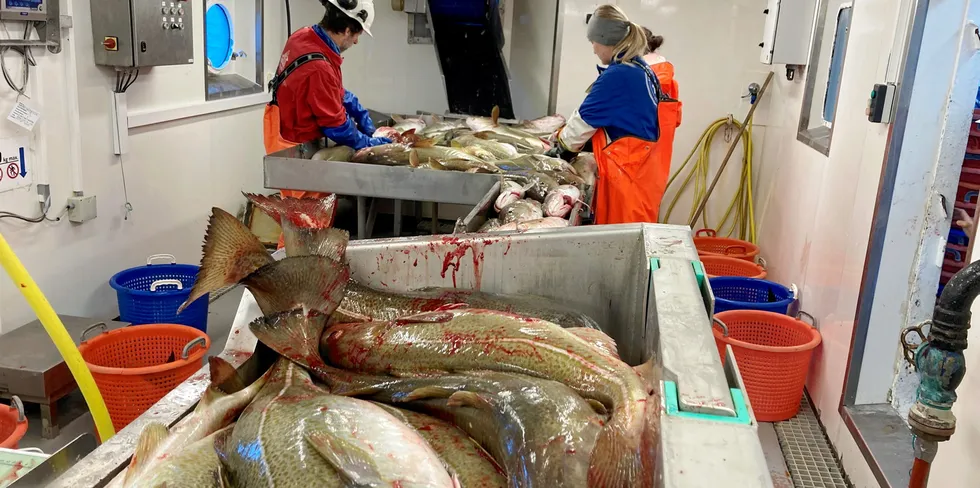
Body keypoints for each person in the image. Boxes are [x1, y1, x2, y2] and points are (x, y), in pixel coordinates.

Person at [547, 5, 667, 225]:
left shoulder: (619, 75)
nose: (593, 48)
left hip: (625, 184)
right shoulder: (639, 68)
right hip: (640, 179)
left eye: (593, 41)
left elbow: (581, 125)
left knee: (619, 249)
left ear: (606, 39)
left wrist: (558, 151)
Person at [263, 0, 390, 202]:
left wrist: (355, 107)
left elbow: (324, 89)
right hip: (297, 150)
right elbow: (337, 127)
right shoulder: (319, 67)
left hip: (287, 133)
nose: (356, 41)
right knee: (307, 221)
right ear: (348, 30)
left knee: (301, 218)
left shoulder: (304, 36)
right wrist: (368, 143)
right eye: (358, 35)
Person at [641, 27, 682, 185]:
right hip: (656, 163)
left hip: (631, 166)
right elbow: (675, 120)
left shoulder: (640, 77)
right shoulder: (666, 80)